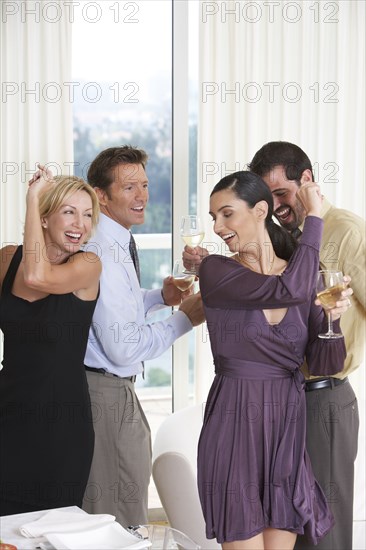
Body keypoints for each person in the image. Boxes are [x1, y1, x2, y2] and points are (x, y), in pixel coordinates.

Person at [197, 170, 349, 550]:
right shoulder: (216, 271)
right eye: (213, 217)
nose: (217, 227)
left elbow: (325, 362)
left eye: (226, 214)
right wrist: (314, 218)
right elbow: (287, 290)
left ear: (260, 210)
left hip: (286, 427)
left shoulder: (305, 278)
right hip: (235, 426)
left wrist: (332, 321)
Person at [248, 141, 365, 550]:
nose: (276, 205)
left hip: (324, 402)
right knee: (292, 530)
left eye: (282, 193)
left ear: (308, 181)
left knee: (325, 534)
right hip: (287, 401)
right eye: (268, 197)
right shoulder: (289, 237)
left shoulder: (345, 231)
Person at [81, 146, 205, 527]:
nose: (143, 196)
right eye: (129, 187)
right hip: (107, 392)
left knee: (119, 505)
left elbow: (110, 306)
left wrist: (158, 298)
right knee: (119, 516)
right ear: (101, 195)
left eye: (145, 185)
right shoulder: (102, 249)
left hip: (109, 391)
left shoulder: (115, 240)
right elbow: (123, 347)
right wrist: (185, 317)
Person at [0, 169, 101, 515]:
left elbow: (37, 275)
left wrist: (30, 199)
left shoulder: (88, 265)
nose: (81, 224)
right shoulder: (6, 259)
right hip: (8, 418)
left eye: (88, 215)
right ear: (44, 219)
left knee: (51, 530)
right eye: (69, 212)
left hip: (60, 431)